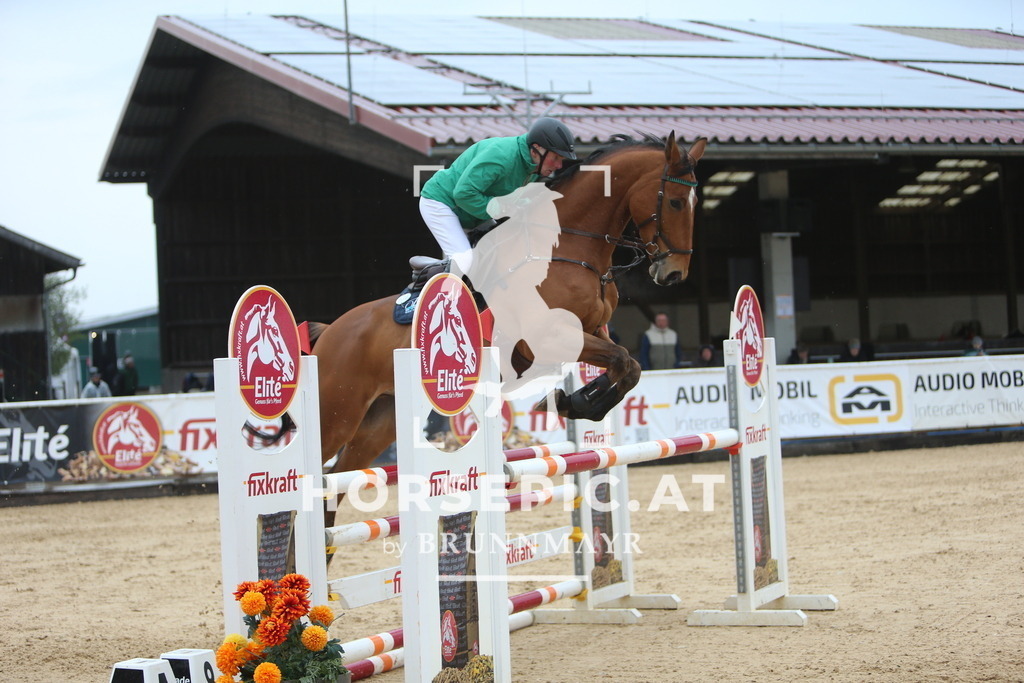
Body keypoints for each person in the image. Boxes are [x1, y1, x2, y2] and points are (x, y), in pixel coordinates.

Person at [419, 117, 577, 275]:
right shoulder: (502, 156)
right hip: (442, 203)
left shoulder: (533, 167)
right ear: (537, 149)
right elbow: (463, 194)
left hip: (472, 212)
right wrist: (505, 208)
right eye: (555, 158)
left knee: (506, 253)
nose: (559, 166)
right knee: (465, 261)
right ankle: (427, 285)